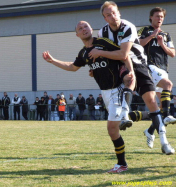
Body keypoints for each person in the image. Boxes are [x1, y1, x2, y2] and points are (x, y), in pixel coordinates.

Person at [43, 21, 134, 173]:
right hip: (105, 93)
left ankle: (122, 164)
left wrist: (130, 72)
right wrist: (53, 61)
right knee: (114, 128)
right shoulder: (83, 53)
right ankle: (147, 116)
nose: (84, 29)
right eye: (80, 28)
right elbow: (72, 67)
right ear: (77, 34)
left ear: (91, 29)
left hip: (117, 88)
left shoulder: (103, 43)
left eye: (86, 26)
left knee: (112, 128)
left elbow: (123, 55)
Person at [88, 1, 174, 155]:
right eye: (108, 15)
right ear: (105, 18)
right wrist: (97, 69)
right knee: (124, 81)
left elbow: (123, 54)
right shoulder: (102, 33)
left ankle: (164, 141)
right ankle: (124, 115)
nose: (112, 16)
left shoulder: (128, 27)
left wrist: (100, 53)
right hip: (118, 67)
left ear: (119, 13)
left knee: (152, 103)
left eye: (114, 12)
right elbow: (105, 56)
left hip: (139, 64)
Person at [137, 7, 176, 146]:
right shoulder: (144, 30)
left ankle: (150, 131)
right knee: (168, 85)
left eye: (162, 17)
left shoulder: (166, 35)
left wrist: (161, 44)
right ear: (151, 17)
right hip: (149, 67)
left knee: (159, 108)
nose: (160, 19)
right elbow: (137, 44)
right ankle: (167, 116)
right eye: (157, 16)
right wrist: (152, 36)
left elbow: (172, 53)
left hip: (163, 68)